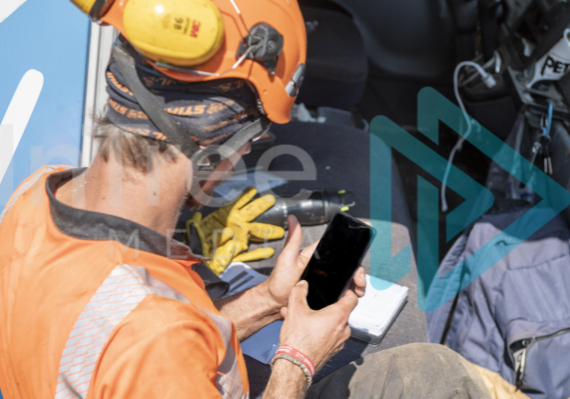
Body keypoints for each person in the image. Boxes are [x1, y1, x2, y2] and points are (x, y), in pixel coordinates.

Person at [0, 0, 493, 398]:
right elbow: (150, 344)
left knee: (425, 373)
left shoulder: (39, 195)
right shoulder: (155, 340)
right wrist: (298, 359)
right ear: (219, 149)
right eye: (253, 141)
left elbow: (136, 339)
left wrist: (265, 302)